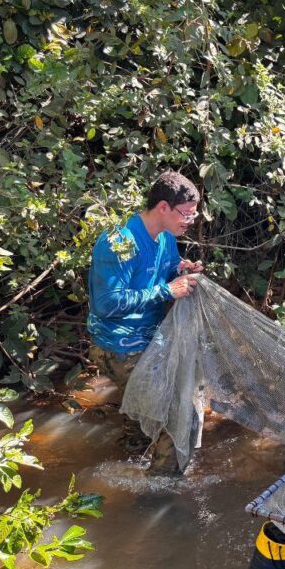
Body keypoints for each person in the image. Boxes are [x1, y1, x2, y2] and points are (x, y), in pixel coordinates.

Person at [87, 170, 203, 474]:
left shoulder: (165, 238)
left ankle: (128, 467)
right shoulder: (120, 241)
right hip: (119, 346)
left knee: (141, 419)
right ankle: (158, 495)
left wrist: (180, 272)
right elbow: (107, 303)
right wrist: (167, 290)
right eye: (186, 214)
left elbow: (162, 275)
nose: (190, 221)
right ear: (163, 207)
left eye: (194, 214)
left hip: (151, 339)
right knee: (177, 415)